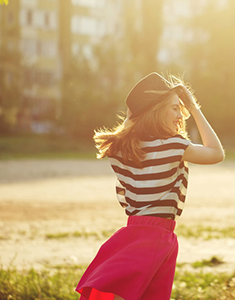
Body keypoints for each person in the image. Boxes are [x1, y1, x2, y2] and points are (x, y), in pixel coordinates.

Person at [76, 72, 224, 300]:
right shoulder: (174, 146)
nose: (180, 115)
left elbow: (131, 123)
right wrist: (195, 108)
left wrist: (137, 111)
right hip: (157, 237)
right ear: (157, 111)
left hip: (130, 235)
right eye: (174, 108)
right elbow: (216, 153)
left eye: (181, 109)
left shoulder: (121, 149)